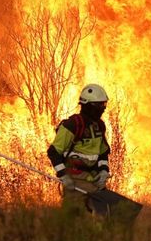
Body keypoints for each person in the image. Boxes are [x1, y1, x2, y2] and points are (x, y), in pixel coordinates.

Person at [47, 84, 111, 214]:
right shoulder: (73, 125)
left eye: (104, 104)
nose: (103, 109)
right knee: (75, 219)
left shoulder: (99, 126)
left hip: (94, 180)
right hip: (75, 180)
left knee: (103, 217)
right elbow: (53, 152)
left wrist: (103, 171)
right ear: (89, 106)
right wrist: (63, 175)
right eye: (100, 105)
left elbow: (103, 153)